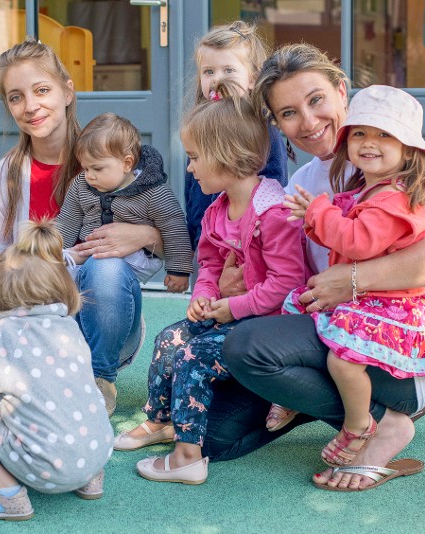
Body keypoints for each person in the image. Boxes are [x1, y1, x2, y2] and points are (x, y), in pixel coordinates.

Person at [204, 43, 425, 492]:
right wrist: (233, 275)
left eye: (316, 100)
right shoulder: (300, 185)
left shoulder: (406, 163)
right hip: (333, 329)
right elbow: (285, 273)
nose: (310, 122)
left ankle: (383, 422)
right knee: (213, 439)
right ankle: (338, 405)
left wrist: (352, 281)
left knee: (248, 347)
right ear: (277, 125)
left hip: (399, 343)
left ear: (341, 91)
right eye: (289, 113)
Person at [117, 81, 305, 485]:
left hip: (268, 326)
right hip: (232, 316)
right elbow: (209, 263)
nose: (189, 168)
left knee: (194, 356)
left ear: (226, 158)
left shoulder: (273, 213)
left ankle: (187, 457)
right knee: (170, 339)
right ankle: (160, 421)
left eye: (195, 158)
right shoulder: (217, 211)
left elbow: (288, 283)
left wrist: (232, 307)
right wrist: (203, 297)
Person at [0, 38, 162, 416]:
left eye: (42, 90)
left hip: (107, 324)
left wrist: (145, 234)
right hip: (36, 329)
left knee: (105, 266)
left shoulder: (114, 160)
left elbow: (178, 245)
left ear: (67, 90)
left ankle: (100, 380)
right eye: (16, 97)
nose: (31, 106)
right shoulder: (1, 180)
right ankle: (41, 375)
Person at [277, 85, 425, 468]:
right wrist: (316, 216)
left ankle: (359, 423)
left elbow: (358, 242)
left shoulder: (395, 199)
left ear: (409, 150)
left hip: (391, 305)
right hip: (363, 297)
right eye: (359, 133)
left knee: (343, 359)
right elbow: (340, 229)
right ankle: (290, 396)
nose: (369, 143)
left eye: (384, 135)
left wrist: (319, 214)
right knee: (295, 306)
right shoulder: (371, 189)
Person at [0, 220, 113, 521]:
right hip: (96, 454)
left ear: (0, 289)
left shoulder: (6, 333)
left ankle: (9, 498)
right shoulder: (69, 327)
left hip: (46, 470)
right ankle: (89, 481)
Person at [184, 20, 289, 253]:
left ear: (252, 78)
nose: (216, 79)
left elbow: (275, 182)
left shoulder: (261, 128)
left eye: (228, 70)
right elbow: (192, 188)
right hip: (206, 243)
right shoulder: (198, 129)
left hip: (249, 243)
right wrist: (193, 239)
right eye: (208, 71)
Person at [56, 112, 192, 292]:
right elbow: (68, 221)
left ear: (127, 163)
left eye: (97, 168)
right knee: (56, 270)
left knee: (104, 266)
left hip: (136, 257)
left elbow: (175, 228)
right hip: (91, 252)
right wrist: (54, 250)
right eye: (85, 168)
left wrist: (179, 271)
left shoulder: (153, 192)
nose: (89, 176)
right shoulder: (81, 185)